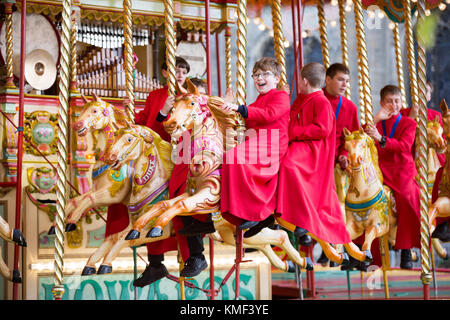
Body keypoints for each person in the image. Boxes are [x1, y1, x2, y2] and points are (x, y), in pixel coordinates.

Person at [132, 57, 208, 287]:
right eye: (176, 70)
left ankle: (193, 255)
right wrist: (159, 112)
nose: (180, 74)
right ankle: (155, 262)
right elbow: (148, 127)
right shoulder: (156, 96)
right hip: (160, 155)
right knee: (149, 204)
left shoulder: (190, 96)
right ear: (165, 72)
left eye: (184, 70)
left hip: (187, 153)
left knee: (182, 198)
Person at [276, 62, 350, 247]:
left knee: (289, 165)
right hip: (300, 144)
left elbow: (322, 128)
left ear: (304, 81)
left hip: (312, 150)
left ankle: (301, 218)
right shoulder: (302, 98)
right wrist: (283, 98)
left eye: (299, 80)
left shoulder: (321, 101)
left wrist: (295, 132)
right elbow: (289, 115)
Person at [220, 57, 290, 238]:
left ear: (276, 78)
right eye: (256, 75)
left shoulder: (281, 96)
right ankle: (239, 212)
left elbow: (268, 115)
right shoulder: (258, 100)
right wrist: (228, 107)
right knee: (228, 157)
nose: (259, 78)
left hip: (272, 142)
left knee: (235, 157)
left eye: (265, 74)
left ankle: (255, 211)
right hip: (257, 142)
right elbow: (245, 117)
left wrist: (239, 108)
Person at [364, 85, 420, 269]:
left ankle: (407, 249)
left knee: (407, 199)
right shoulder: (378, 122)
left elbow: (404, 146)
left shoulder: (408, 123)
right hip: (379, 170)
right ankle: (367, 252)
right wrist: (376, 118)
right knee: (366, 202)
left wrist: (381, 138)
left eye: (397, 101)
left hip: (401, 171)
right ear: (381, 102)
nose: (394, 105)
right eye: (389, 101)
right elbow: (362, 137)